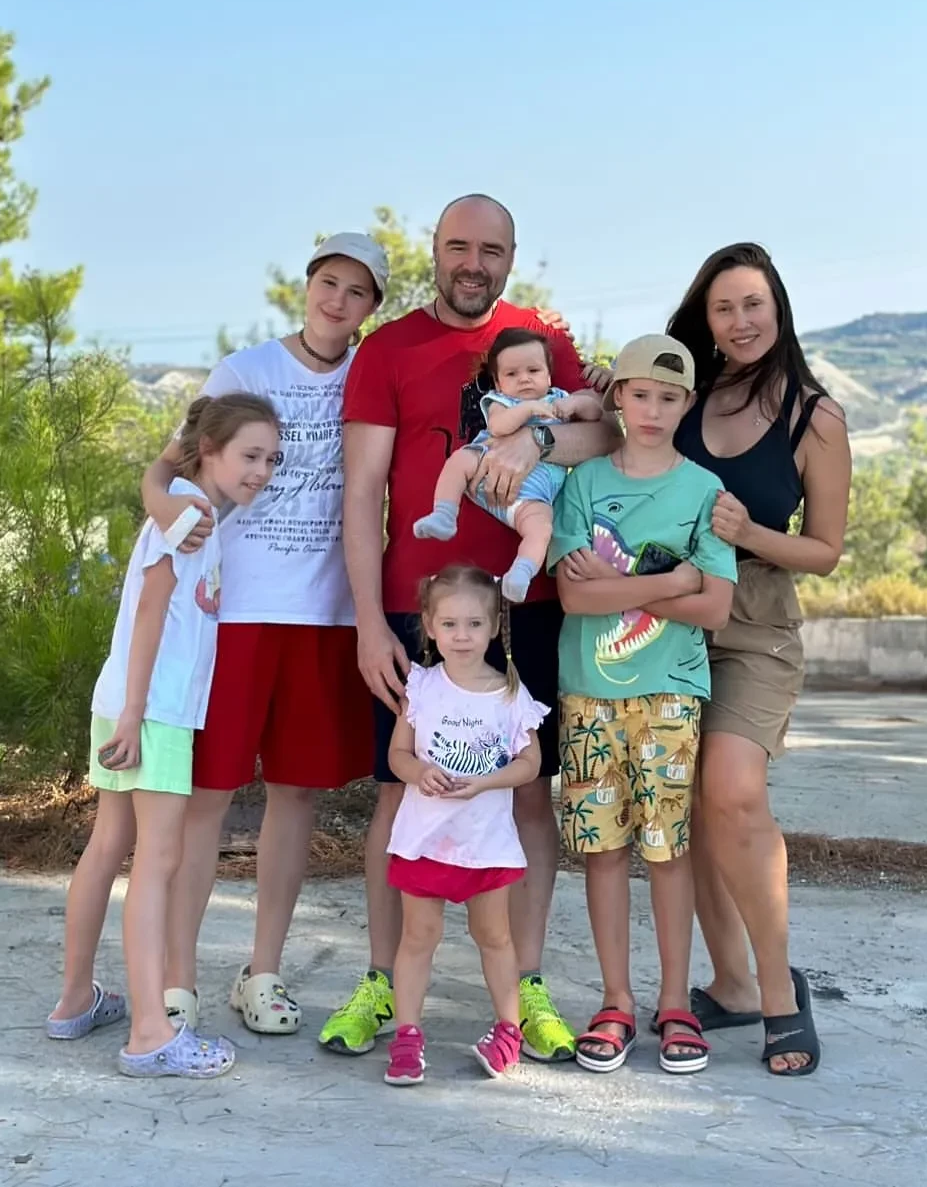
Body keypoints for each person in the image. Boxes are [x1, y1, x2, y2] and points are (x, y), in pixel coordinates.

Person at [335, 193, 619, 1063]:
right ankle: (382, 981)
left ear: (510, 256)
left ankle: (525, 987)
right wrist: (367, 623)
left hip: (529, 603)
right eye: (458, 245)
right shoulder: (387, 349)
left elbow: (605, 432)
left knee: (529, 789)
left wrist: (538, 445)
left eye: (490, 249)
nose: (473, 262)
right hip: (415, 608)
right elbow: (361, 492)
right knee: (401, 788)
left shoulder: (543, 339)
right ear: (435, 250)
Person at [139, 233, 387, 1036]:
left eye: (357, 290)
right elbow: (167, 467)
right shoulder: (245, 369)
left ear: (372, 306)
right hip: (235, 610)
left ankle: (264, 970)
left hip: (324, 612)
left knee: (296, 793)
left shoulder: (371, 374)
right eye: (328, 281)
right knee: (208, 795)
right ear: (306, 285)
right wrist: (163, 505)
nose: (338, 300)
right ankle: (178, 977)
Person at [46, 392, 279, 1078]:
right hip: (153, 710)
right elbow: (151, 611)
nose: (263, 471)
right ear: (209, 451)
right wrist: (136, 714)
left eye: (273, 459)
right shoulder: (192, 516)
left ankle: (75, 1000)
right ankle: (151, 1031)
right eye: (250, 455)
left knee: (108, 845)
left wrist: (127, 707)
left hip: (128, 700)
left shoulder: (183, 503)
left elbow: (159, 599)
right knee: (158, 860)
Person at [667, 242, 851, 1078]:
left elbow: (826, 549)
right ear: (705, 319)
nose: (740, 321)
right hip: (671, 616)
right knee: (690, 806)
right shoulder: (687, 396)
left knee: (735, 791)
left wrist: (749, 533)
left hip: (758, 623)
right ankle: (732, 983)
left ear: (777, 308)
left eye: (753, 304)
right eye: (723, 307)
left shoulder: (816, 417)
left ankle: (780, 993)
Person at [550, 335, 736, 1075]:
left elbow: (716, 608)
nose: (652, 409)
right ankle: (616, 1000)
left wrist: (621, 587)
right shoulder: (585, 483)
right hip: (590, 694)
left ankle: (675, 1002)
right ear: (617, 398)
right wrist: (674, 582)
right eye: (639, 394)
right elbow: (573, 596)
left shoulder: (705, 491)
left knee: (667, 849)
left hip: (670, 693)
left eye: (668, 397)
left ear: (686, 404)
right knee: (602, 850)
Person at [382, 565, 546, 1085]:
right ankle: (408, 1035)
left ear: (494, 626)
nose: (462, 635)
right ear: (429, 626)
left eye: (474, 624)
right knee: (418, 936)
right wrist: (419, 773)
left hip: (485, 844)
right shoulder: (422, 687)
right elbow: (398, 756)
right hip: (425, 841)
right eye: (449, 624)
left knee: (493, 936)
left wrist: (487, 782)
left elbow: (531, 763)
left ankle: (509, 1030)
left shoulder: (510, 695)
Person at [413, 327, 603, 601]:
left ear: (549, 375)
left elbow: (595, 414)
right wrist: (527, 409)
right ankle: (444, 514)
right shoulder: (501, 401)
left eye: (533, 371)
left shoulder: (559, 399)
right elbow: (498, 427)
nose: (524, 379)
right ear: (498, 383)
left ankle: (520, 573)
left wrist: (577, 404)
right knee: (459, 461)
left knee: (542, 529)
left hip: (532, 497)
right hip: (483, 473)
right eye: (512, 374)